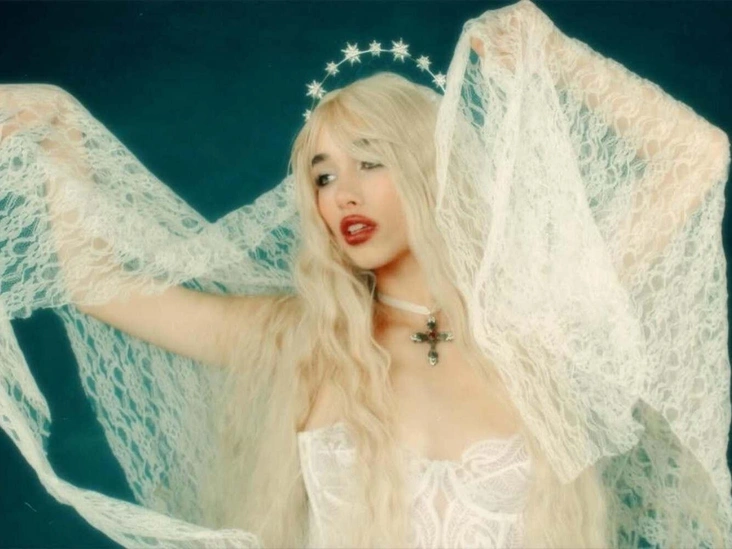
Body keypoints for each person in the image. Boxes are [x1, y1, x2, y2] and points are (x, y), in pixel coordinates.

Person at [0, 1, 730, 547]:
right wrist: (60, 130)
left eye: (369, 162)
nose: (342, 194)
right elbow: (98, 285)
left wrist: (554, 57)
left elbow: (697, 156)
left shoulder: (535, 320)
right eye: (323, 176)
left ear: (429, 170)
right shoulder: (305, 338)